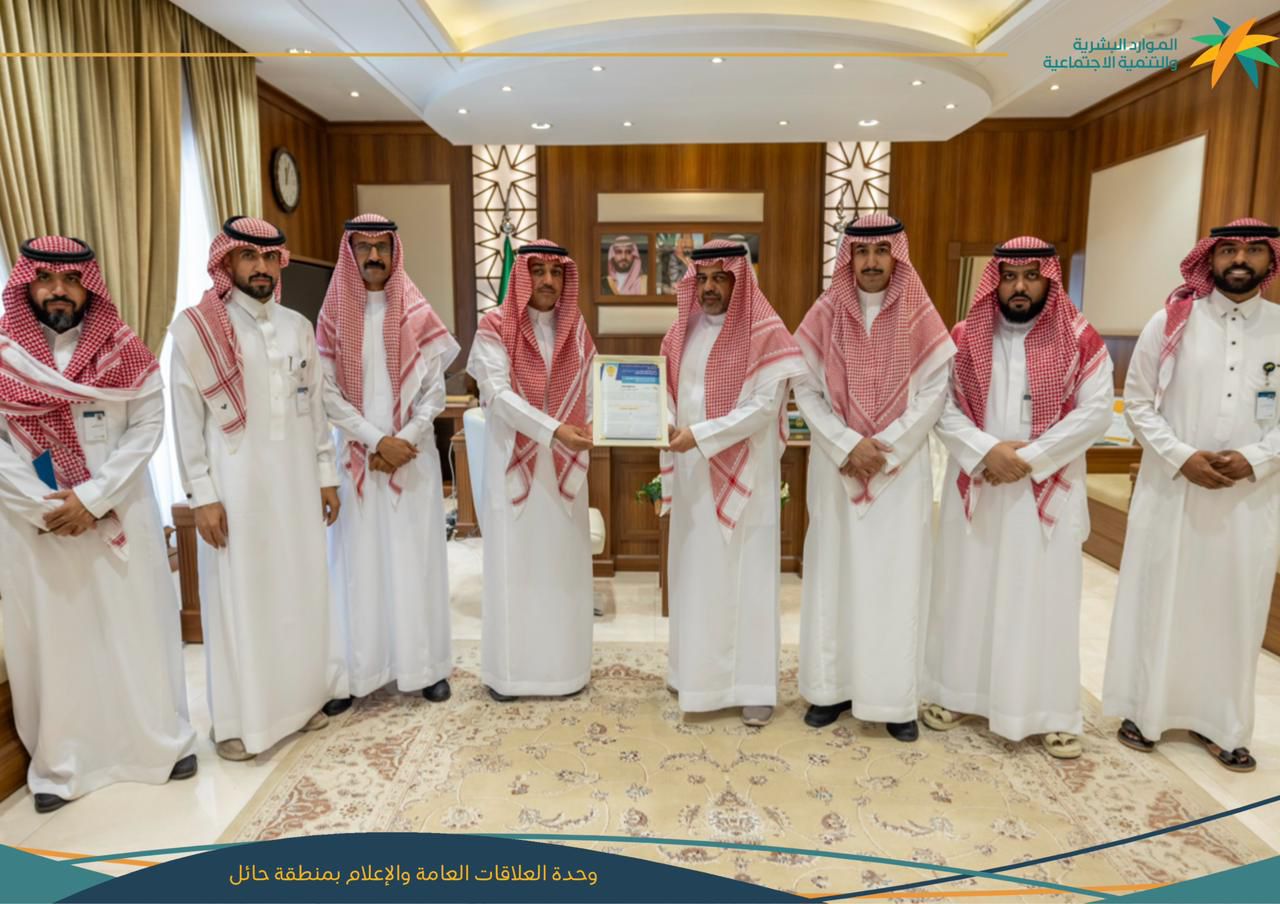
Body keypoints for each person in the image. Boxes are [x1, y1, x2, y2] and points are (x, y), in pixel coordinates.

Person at [0, 236, 197, 813]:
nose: (58, 290)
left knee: (137, 629)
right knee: (57, 642)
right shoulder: (6, 357)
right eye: (45, 279)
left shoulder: (126, 351)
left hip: (119, 511)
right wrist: (43, 506)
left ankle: (158, 744)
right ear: (27, 286)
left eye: (70, 279)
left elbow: (147, 427)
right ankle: (63, 765)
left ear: (90, 286)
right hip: (37, 526)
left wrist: (91, 498)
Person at [924, 237, 1113, 759]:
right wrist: (988, 451)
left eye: (1031, 276)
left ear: (1049, 280)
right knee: (968, 592)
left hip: (1045, 488)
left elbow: (1096, 412)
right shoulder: (964, 337)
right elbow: (941, 407)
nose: (1019, 287)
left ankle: (1050, 713)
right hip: (981, 483)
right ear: (996, 282)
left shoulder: (1080, 338)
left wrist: (1028, 458)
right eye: (1009, 277)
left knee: (1043, 600)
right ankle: (957, 694)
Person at [1104, 218, 1280, 773]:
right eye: (1229, 249)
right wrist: (1182, 456)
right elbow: (1137, 403)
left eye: (1253, 250)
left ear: (1270, 260)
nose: (1240, 259)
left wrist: (1256, 459)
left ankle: (1224, 725)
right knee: (1162, 598)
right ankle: (1146, 713)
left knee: (1235, 608)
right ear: (1210, 257)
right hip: (1174, 488)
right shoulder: (1171, 322)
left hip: (1248, 499)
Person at [170, 216, 346, 761]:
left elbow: (315, 410)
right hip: (234, 491)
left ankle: (302, 700)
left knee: (299, 589)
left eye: (270, 257)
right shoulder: (197, 332)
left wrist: (326, 476)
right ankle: (238, 722)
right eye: (249, 257)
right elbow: (186, 420)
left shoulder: (297, 327)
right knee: (241, 598)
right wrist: (202, 496)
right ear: (227, 262)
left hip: (296, 486)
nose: (262, 267)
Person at [794, 214, 953, 739]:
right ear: (848, 259)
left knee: (896, 582)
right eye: (861, 252)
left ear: (896, 257)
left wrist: (885, 448)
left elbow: (935, 391)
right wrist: (847, 444)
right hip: (836, 468)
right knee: (832, 576)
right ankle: (829, 690)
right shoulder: (824, 314)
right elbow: (805, 390)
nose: (870, 262)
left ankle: (894, 701)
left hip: (898, 473)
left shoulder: (919, 315)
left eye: (881, 251)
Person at [661, 239, 807, 726]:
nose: (708, 288)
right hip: (692, 476)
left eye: (719, 278)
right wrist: (663, 422)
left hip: (747, 477)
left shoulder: (767, 333)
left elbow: (763, 409)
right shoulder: (680, 334)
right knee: (695, 576)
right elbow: (666, 393)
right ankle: (691, 674)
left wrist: (699, 436)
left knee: (747, 581)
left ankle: (753, 687)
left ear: (739, 280)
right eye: (701, 279)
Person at [319, 214, 460, 708]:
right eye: (364, 247)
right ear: (351, 252)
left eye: (382, 247)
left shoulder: (417, 312)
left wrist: (404, 441)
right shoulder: (333, 316)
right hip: (359, 462)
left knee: (415, 562)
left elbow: (435, 393)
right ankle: (358, 674)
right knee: (358, 568)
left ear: (395, 252)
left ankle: (426, 668)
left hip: (412, 461)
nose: (374, 255)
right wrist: (379, 441)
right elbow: (327, 394)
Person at [466, 240, 596, 701]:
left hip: (564, 468)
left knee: (563, 571)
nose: (547, 280)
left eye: (556, 273)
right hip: (513, 467)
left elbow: (592, 389)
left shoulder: (575, 330)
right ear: (522, 276)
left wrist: (600, 420)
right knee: (515, 570)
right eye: (537, 271)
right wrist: (555, 430)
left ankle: (566, 671)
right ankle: (510, 676)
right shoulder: (493, 327)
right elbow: (498, 396)